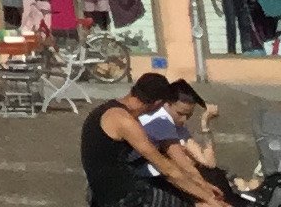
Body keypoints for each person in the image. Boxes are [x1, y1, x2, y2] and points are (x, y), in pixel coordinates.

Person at [86, 73, 224, 206]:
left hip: (100, 190)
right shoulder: (126, 122)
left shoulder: (105, 110)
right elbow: (167, 170)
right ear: (158, 102)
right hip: (123, 197)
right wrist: (207, 197)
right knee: (203, 204)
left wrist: (203, 186)